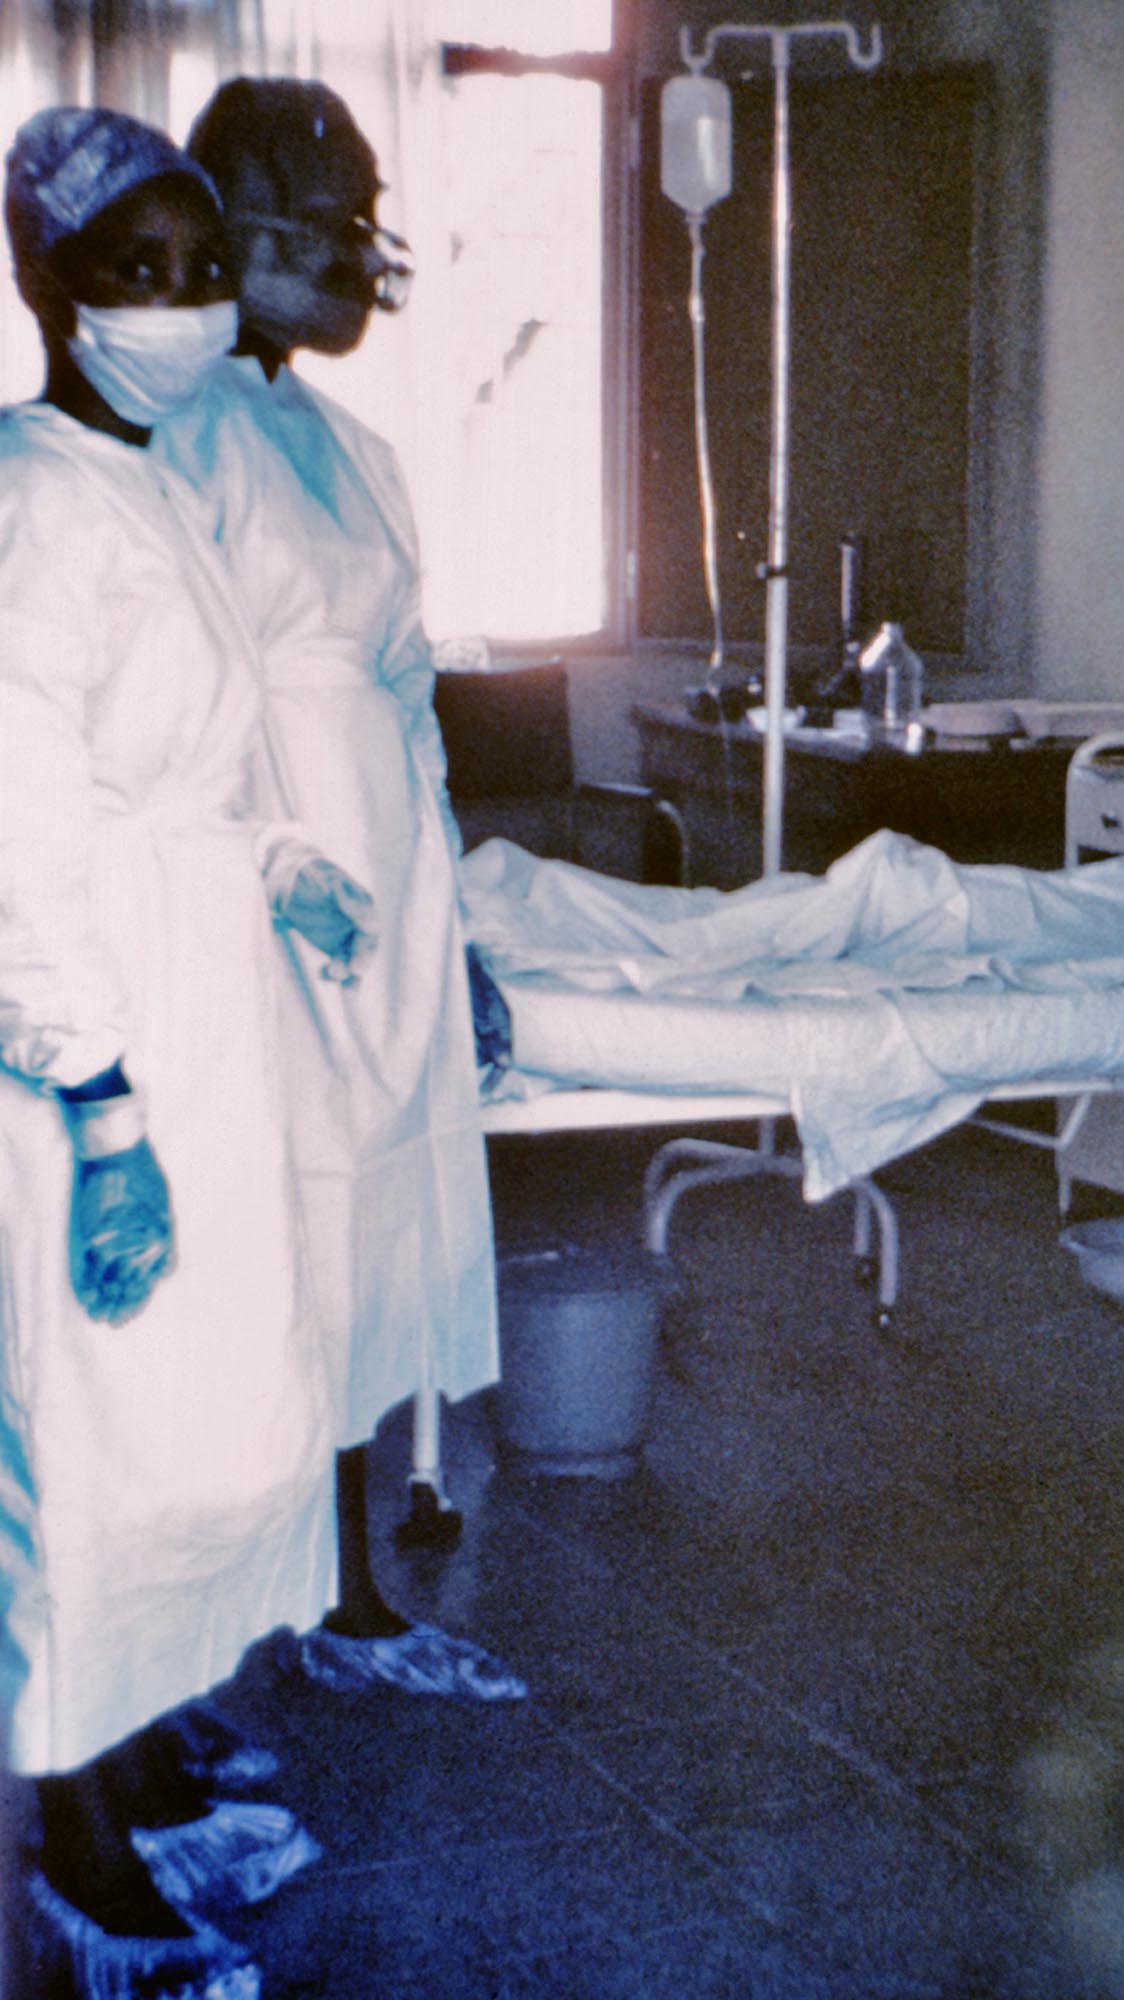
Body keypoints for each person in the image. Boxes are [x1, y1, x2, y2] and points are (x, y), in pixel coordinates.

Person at [0, 106, 381, 1994]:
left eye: (202, 266)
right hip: (94, 1050)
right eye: (135, 272)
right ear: (47, 285)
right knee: (94, 1442)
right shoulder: (26, 504)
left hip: (209, 1011)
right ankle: (75, 1851)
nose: (180, 302)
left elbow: (204, 764)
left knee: (202, 1434)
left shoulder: (162, 479)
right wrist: (99, 1109)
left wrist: (290, 859)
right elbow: (23, 839)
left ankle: (145, 1769)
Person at [154, 77, 515, 1698]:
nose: (363, 263)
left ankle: (356, 1600)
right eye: (337, 224)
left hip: (392, 879)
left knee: (367, 1241)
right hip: (256, 896)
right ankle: (207, 1648)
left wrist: (460, 941)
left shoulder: (350, 446)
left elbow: (409, 702)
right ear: (243, 224)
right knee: (261, 1257)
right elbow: (170, 719)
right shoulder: (157, 435)